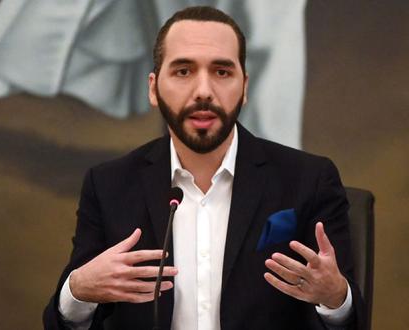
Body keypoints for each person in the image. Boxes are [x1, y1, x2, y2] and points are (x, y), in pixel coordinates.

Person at [43, 6, 364, 330]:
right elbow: (64, 322)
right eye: (183, 71)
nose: (204, 91)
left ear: (245, 86)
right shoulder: (109, 184)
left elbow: (352, 320)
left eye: (222, 72)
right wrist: (78, 292)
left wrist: (336, 299)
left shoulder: (308, 180)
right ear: (153, 88)